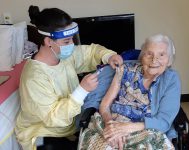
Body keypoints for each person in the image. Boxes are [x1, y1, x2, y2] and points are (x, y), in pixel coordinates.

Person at [15, 5, 123, 150]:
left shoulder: (63, 56)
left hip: (70, 127)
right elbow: (54, 118)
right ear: (48, 42)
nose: (72, 45)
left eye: (71, 40)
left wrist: (109, 56)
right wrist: (82, 91)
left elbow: (91, 52)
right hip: (43, 132)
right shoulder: (34, 78)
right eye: (66, 42)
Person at [78, 34, 181, 150]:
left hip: (145, 130)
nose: (154, 60)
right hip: (112, 124)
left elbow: (164, 121)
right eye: (149, 54)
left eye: (161, 55)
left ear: (169, 60)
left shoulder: (171, 80)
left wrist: (126, 128)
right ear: (142, 56)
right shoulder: (124, 69)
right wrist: (111, 125)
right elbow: (104, 105)